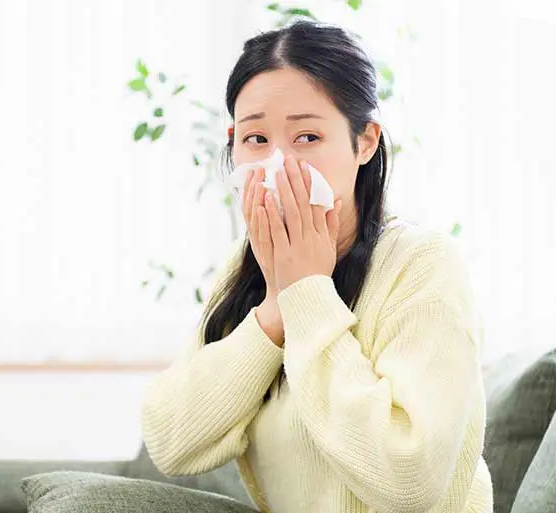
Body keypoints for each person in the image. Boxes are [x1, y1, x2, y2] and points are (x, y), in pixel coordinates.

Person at [141, 19, 493, 513]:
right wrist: (273, 310)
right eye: (256, 139)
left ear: (364, 142)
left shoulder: (423, 265)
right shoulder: (248, 270)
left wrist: (307, 290)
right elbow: (170, 441)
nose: (279, 163)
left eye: (307, 136)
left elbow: (409, 482)